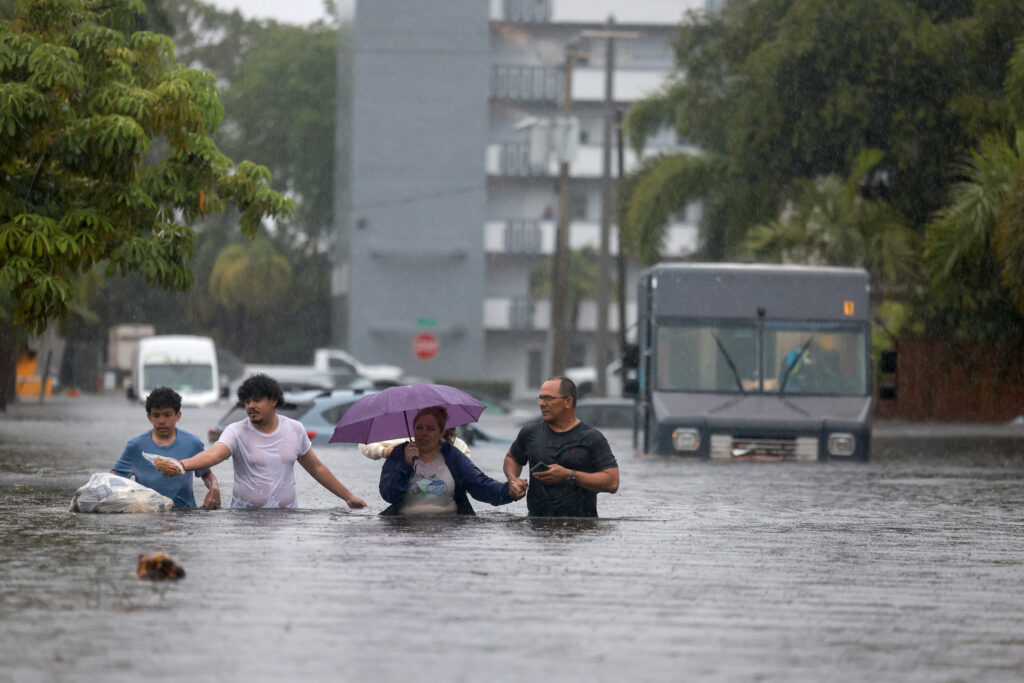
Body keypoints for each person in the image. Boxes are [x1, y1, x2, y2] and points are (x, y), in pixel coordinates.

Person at [155, 374, 367, 510]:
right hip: (245, 520)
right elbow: (213, 455)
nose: (250, 406)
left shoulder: (295, 429)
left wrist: (348, 497)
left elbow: (317, 469)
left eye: (256, 400)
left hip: (288, 520)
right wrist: (181, 465)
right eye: (246, 402)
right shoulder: (236, 431)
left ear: (273, 400)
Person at [503, 376, 619, 517]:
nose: (542, 404)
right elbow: (512, 457)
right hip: (536, 528)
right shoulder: (530, 432)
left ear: (568, 402)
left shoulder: (592, 438)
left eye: (549, 398)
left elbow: (612, 483)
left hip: (581, 528)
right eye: (540, 398)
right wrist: (513, 479)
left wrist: (569, 475)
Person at [379, 406, 525, 515]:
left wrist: (508, 491)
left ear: (442, 432)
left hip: (449, 528)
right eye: (419, 427)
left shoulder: (452, 456)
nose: (423, 433)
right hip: (404, 529)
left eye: (430, 429)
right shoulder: (399, 455)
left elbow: (480, 486)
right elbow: (389, 495)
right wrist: (406, 465)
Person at [111, 387, 220, 509]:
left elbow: (207, 475)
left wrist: (214, 488)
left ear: (178, 415)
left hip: (185, 517)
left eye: (167, 415)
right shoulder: (136, 446)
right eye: (156, 415)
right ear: (149, 417)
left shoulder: (193, 443)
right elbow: (114, 479)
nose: (162, 421)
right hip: (149, 516)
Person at [358, 427, 471, 460]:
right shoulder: (409, 443)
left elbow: (471, 481)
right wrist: (385, 451)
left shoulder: (459, 446)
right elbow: (364, 442)